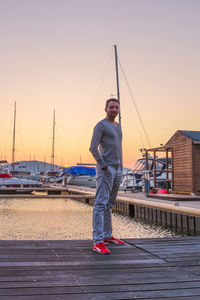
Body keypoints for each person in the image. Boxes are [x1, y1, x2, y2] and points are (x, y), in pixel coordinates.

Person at [89, 98, 125, 255]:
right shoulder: (100, 125)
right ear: (106, 109)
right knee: (100, 203)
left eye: (116, 107)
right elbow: (93, 148)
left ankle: (107, 235)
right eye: (111, 107)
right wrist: (104, 165)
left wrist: (121, 168)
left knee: (109, 204)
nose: (114, 110)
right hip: (106, 169)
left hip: (117, 169)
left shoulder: (118, 127)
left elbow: (119, 148)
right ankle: (97, 241)